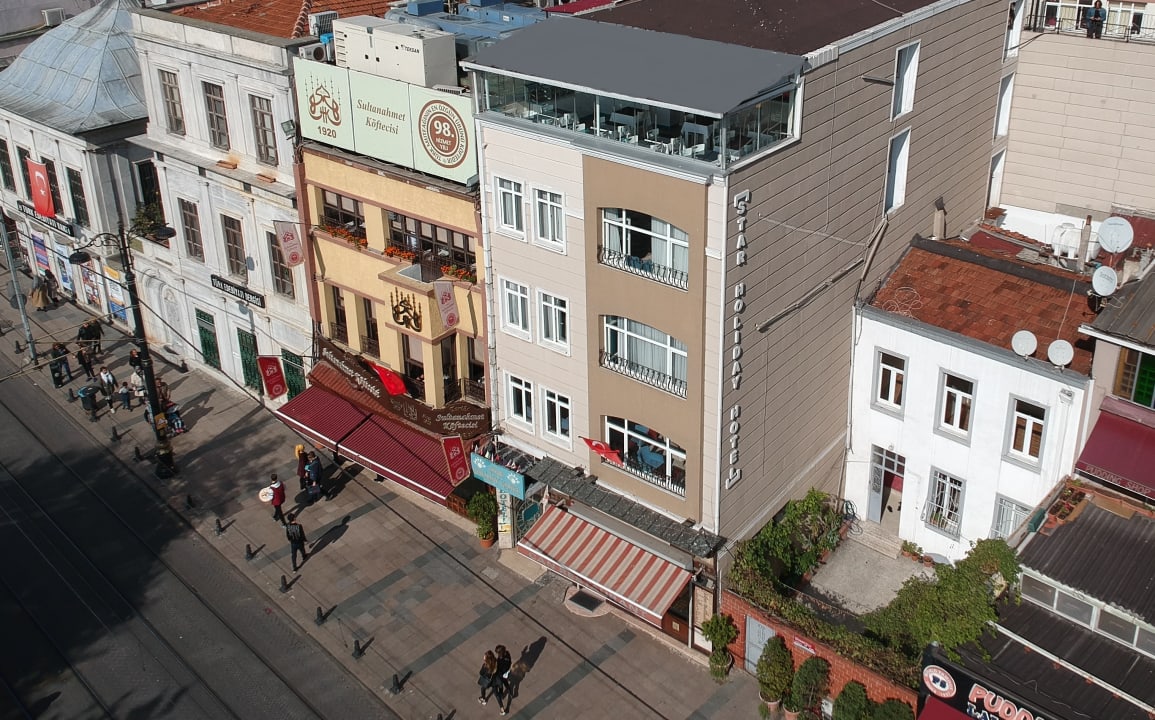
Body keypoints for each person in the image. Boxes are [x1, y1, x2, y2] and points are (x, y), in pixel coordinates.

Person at [493, 644, 513, 715]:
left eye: (497, 652)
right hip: (504, 673)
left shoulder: (503, 659)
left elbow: (503, 668)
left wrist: (496, 670)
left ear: (500, 652)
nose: (497, 654)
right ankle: (510, 691)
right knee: (505, 682)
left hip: (501, 674)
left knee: (501, 684)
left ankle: (502, 694)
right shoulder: (506, 654)